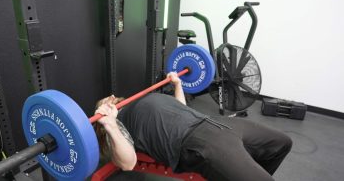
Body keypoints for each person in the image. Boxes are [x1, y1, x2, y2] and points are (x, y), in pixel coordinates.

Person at [93, 72, 292, 180]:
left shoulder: (140, 100)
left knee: (282, 143)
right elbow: (127, 163)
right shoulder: (119, 125)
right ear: (102, 114)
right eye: (105, 102)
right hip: (200, 142)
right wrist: (110, 124)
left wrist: (178, 85)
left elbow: (180, 108)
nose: (111, 97)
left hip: (217, 123)